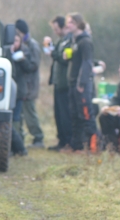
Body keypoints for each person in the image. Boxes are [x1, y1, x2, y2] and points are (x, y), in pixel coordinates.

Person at [63, 12, 98, 153]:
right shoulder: (74, 41)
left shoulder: (85, 42)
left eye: (70, 22)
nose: (68, 25)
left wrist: (81, 83)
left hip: (82, 85)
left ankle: (93, 147)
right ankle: (76, 146)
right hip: (72, 84)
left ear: (77, 23)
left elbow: (87, 63)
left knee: (86, 115)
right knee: (75, 116)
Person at [44, 16, 73, 152]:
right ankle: (61, 140)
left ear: (64, 27)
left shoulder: (70, 41)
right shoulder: (61, 41)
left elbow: (64, 59)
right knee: (59, 114)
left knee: (65, 114)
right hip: (57, 82)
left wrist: (53, 53)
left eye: (56, 29)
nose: (55, 31)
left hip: (65, 83)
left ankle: (67, 141)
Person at [15, 19, 44, 148]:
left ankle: (38, 138)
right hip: (22, 86)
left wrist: (23, 60)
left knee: (30, 113)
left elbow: (34, 65)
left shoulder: (33, 45)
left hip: (30, 86)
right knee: (20, 115)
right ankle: (20, 138)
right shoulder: (21, 44)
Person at [7, 33, 31, 156]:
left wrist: (22, 60)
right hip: (7, 92)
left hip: (19, 91)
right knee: (9, 119)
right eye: (12, 40)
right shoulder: (6, 53)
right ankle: (12, 146)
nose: (14, 43)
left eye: (16, 41)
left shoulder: (23, 53)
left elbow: (30, 68)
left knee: (16, 119)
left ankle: (18, 147)